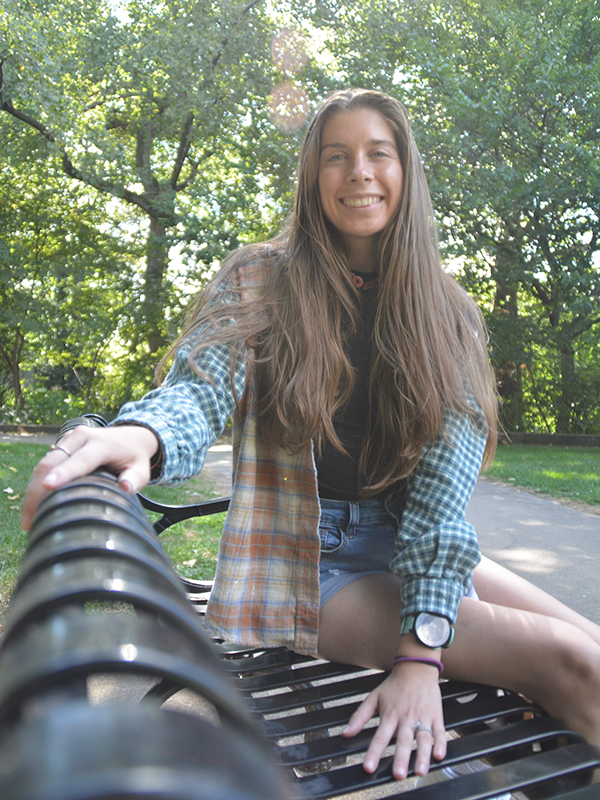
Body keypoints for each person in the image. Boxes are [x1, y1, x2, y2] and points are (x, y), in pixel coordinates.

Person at [22, 89, 600, 785]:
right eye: (337, 156)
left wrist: (421, 649)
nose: (359, 171)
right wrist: (142, 433)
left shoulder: (448, 314)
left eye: (377, 153)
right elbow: (200, 389)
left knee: (591, 649)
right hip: (306, 567)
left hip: (404, 544)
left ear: (404, 171)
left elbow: (442, 500)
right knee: (574, 663)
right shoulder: (262, 278)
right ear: (312, 175)